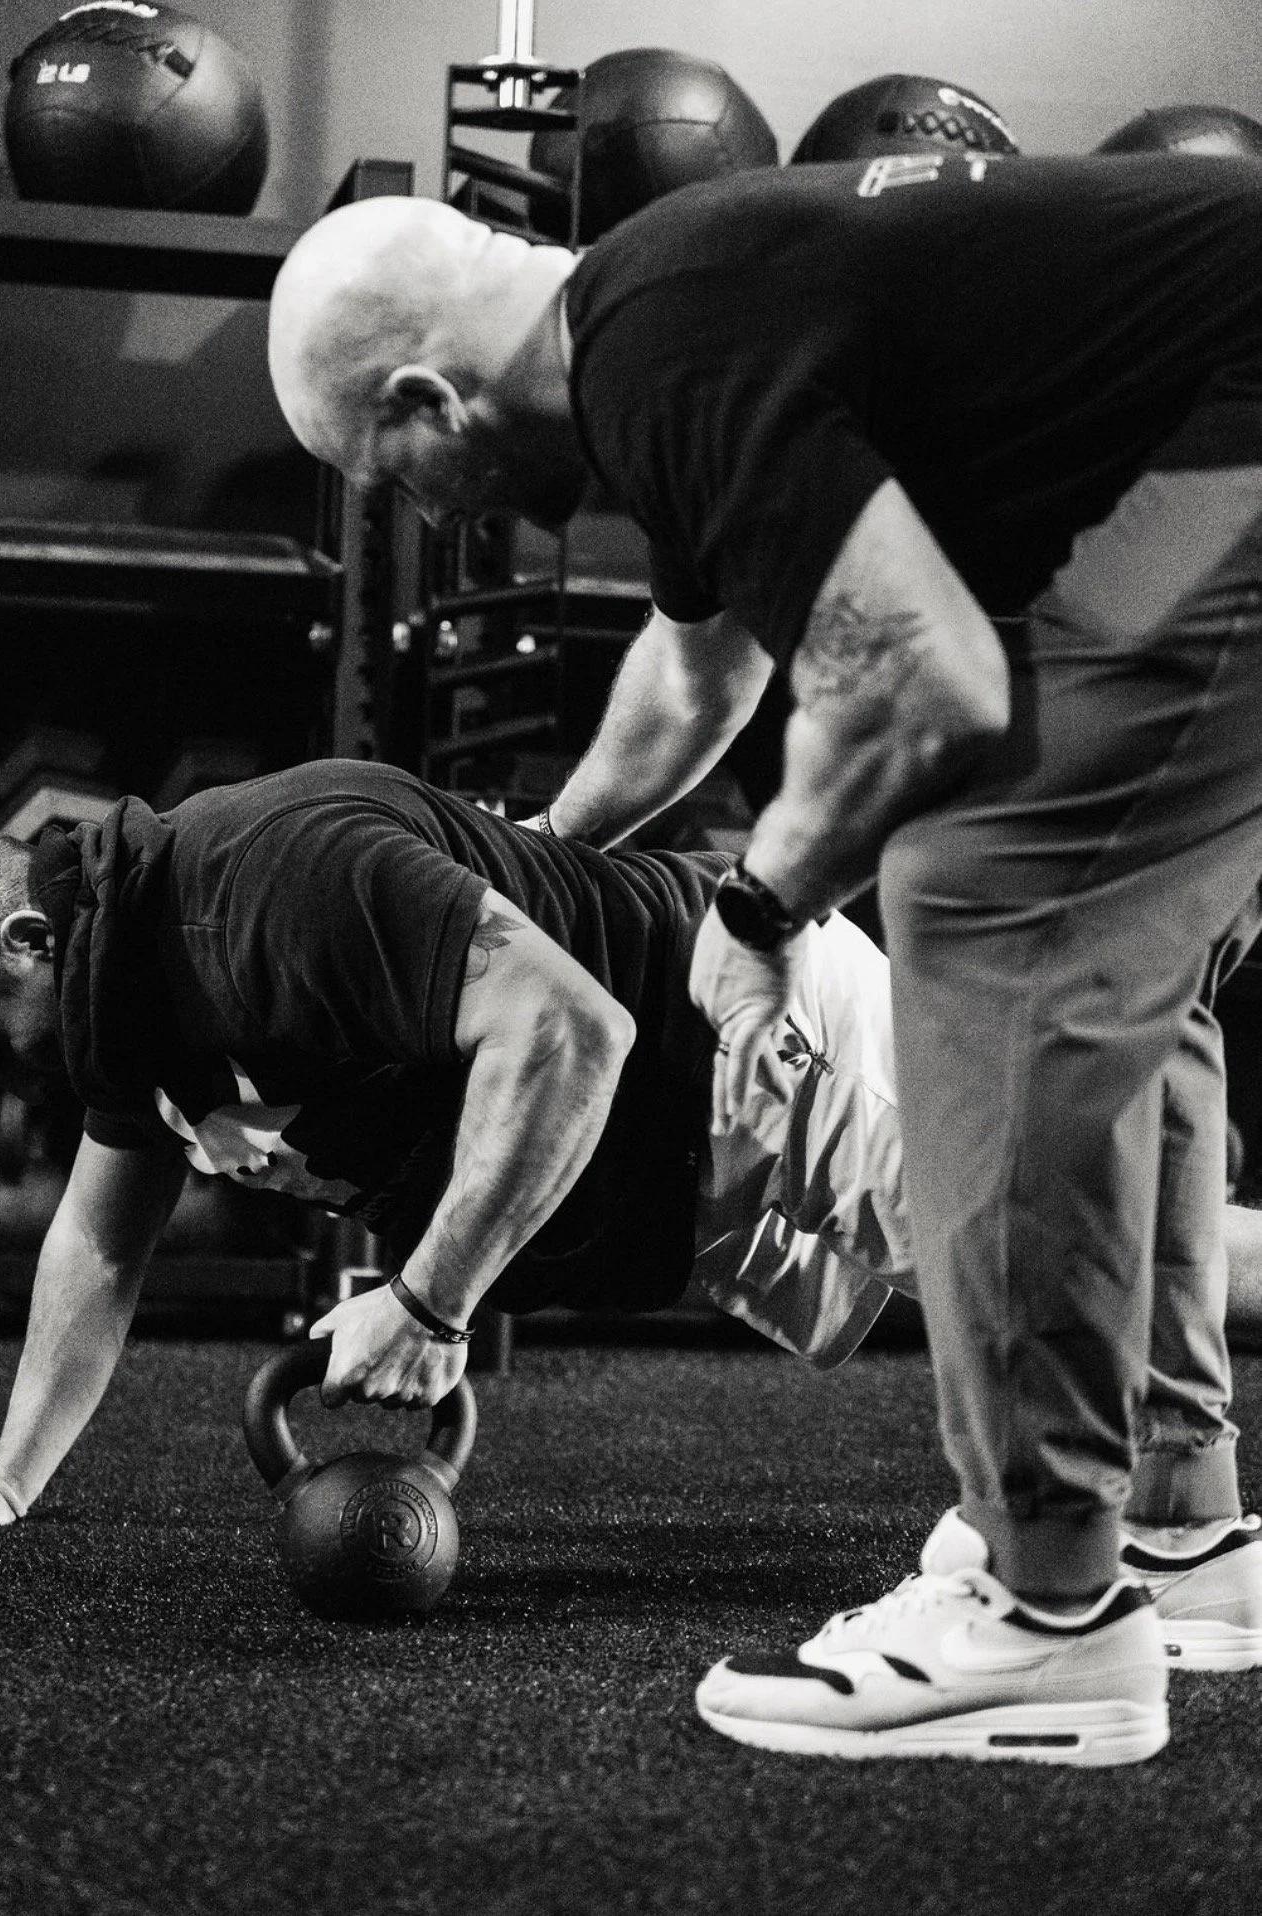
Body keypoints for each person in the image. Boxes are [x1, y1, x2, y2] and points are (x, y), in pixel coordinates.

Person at [266, 149, 1262, 1764]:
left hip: (1238, 435)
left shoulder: (668, 350)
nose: (404, 507)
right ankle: (1171, 1519)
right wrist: (528, 879)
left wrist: (758, 910)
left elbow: (917, 688)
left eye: (376, 473)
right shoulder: (668, 301)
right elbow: (695, 678)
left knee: (991, 899)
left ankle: (1045, 1611)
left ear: (430, 401)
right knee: (1106, 951)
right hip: (1219, 434)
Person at [0, 763, 1261, 1690]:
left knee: (1081, 1276)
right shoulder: (126, 1005)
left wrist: (430, 1303)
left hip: (759, 1051)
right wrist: (9, 1478)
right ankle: (1172, 1522)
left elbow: (571, 1030)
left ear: (33, 939)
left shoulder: (255, 889)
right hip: (691, 1176)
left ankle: (1168, 1550)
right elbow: (97, 1244)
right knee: (1065, 1291)